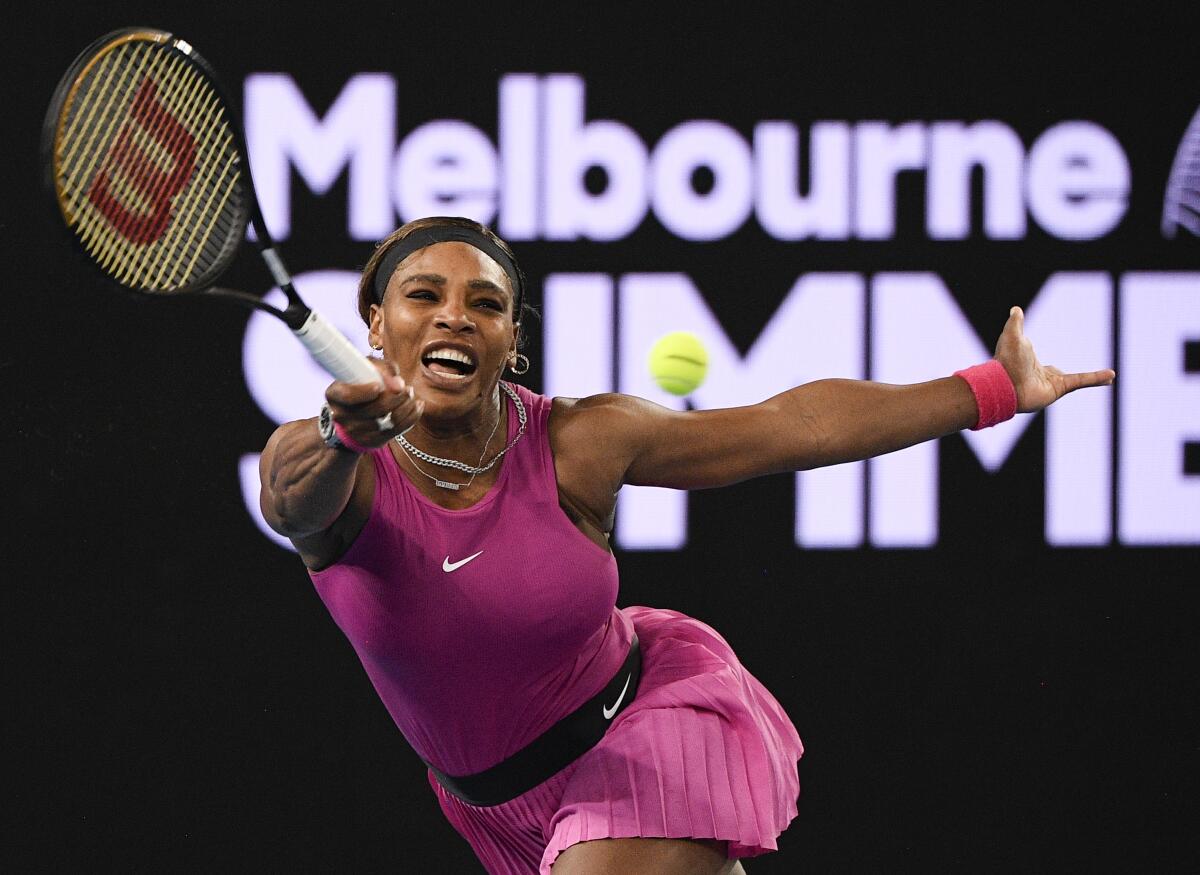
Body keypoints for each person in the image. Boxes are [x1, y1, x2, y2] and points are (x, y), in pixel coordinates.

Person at [258, 216, 1115, 875]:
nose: (456, 315)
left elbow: (793, 426)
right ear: (376, 324)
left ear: (512, 343)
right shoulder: (339, 468)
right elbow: (289, 494)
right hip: (494, 809)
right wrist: (340, 432)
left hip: (642, 732)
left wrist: (995, 388)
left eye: (486, 303)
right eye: (424, 295)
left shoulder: (581, 440)